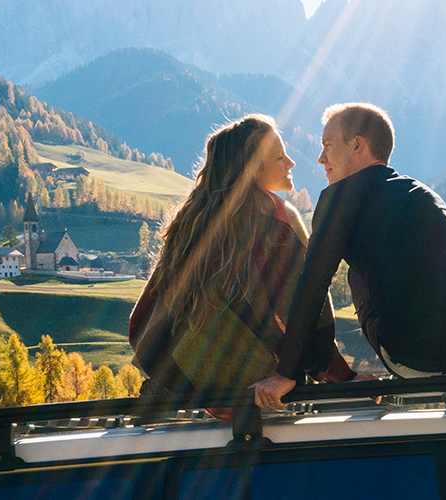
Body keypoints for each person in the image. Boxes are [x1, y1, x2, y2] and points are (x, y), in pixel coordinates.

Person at [253, 103, 446, 409]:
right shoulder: (423, 193)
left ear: (358, 144)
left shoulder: (336, 203)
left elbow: (313, 285)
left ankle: (428, 371)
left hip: (408, 361)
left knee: (354, 273)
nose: (321, 158)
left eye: (328, 146)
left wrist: (287, 373)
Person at [128, 115, 364, 411]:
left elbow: (145, 319)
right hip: (252, 395)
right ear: (251, 169)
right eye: (279, 157)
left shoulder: (193, 219)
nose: (290, 163)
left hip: (170, 395)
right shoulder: (276, 218)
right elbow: (304, 306)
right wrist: (343, 376)